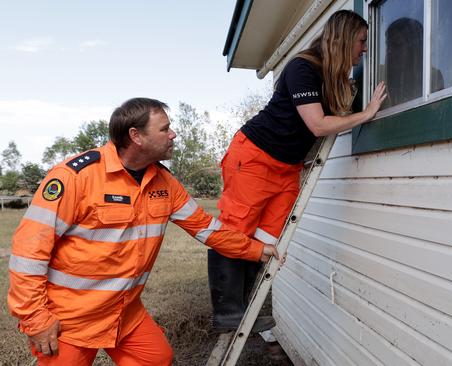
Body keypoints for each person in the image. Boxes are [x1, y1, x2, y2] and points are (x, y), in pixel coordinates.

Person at [7, 98, 279, 365]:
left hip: (124, 312)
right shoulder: (75, 177)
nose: (173, 134)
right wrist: (34, 318)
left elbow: (207, 228)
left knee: (156, 358)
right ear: (136, 136)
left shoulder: (164, 182)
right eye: (164, 129)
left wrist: (257, 250)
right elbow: (28, 252)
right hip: (71, 317)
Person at [207, 9, 387, 333]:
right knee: (236, 230)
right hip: (255, 157)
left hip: (287, 169)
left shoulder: (332, 77)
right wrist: (368, 113)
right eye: (361, 41)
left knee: (266, 238)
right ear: (345, 39)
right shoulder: (302, 68)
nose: (365, 48)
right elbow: (318, 125)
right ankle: (226, 311)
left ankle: (245, 307)